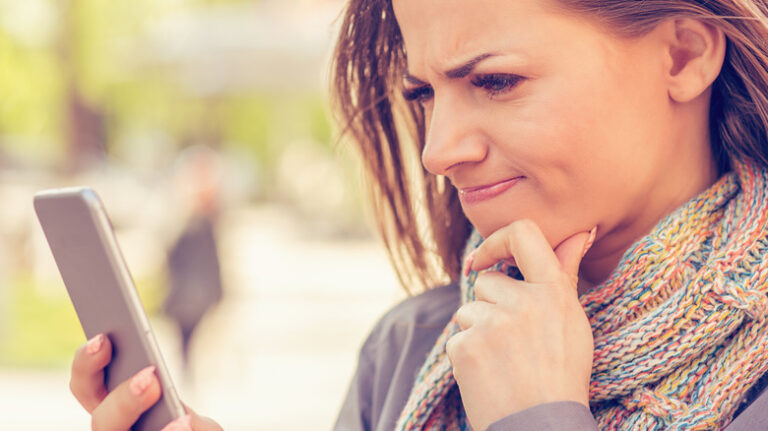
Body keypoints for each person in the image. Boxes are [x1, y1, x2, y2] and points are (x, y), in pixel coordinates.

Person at [67, 0, 768, 430]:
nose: (436, 151)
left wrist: (536, 418)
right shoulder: (412, 348)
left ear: (682, 54)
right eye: (422, 93)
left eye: (496, 81)